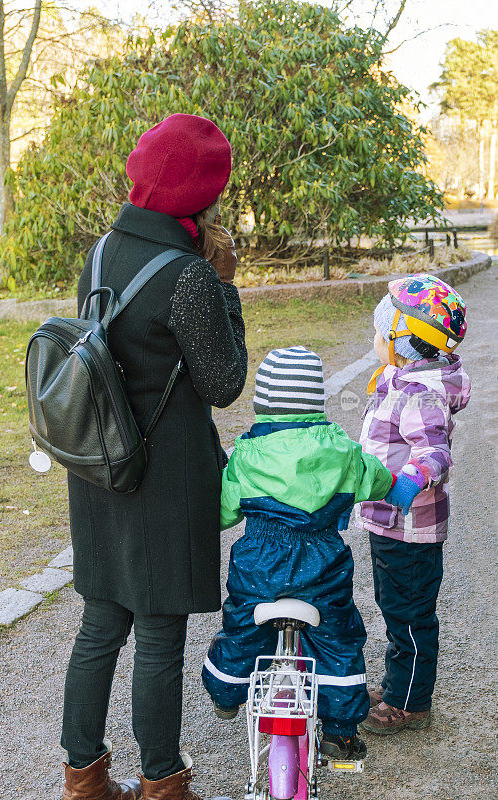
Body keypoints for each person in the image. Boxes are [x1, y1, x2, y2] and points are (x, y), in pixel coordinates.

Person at [60, 114, 247, 800]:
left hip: (100, 461)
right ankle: (162, 783)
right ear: (204, 193)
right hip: (163, 474)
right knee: (160, 634)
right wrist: (225, 285)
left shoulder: (103, 250)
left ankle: (83, 777)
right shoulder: (189, 277)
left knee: (101, 622)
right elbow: (223, 385)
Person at [202, 345, 402, 761]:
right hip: (322, 561)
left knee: (242, 622)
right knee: (338, 638)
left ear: (263, 403)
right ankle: (342, 732)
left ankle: (226, 691)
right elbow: (379, 482)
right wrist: (396, 486)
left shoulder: (246, 454)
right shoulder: (343, 451)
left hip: (259, 559)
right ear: (316, 400)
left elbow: (221, 513)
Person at [355, 273, 470, 735]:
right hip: (391, 526)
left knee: (411, 614)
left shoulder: (420, 394)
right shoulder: (401, 380)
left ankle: (410, 704)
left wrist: (403, 490)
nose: (375, 339)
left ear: (405, 341)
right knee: (396, 607)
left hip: (409, 526)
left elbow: (433, 453)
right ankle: (400, 685)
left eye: (381, 333)